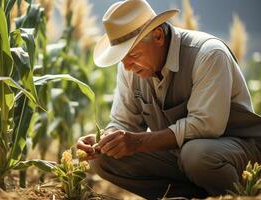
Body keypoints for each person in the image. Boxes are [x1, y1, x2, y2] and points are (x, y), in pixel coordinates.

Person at [76, 0, 261, 199]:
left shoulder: (208, 54)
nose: (127, 66)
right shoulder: (129, 67)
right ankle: (188, 196)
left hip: (235, 150)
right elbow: (123, 122)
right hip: (182, 155)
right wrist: (104, 141)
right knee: (103, 159)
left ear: (157, 36)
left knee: (196, 155)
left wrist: (137, 142)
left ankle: (239, 195)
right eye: (122, 58)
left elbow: (206, 125)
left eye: (133, 54)